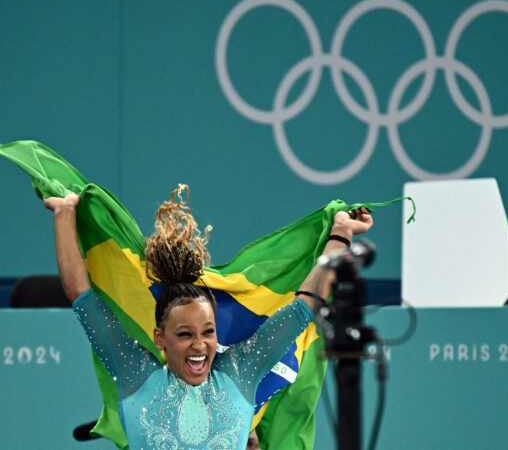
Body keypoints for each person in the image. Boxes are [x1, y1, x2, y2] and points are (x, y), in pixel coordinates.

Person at [44, 186, 373, 449]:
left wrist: (341, 234)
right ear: (160, 338)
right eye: (184, 334)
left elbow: (304, 306)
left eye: (208, 331)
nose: (199, 344)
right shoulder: (135, 372)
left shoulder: (241, 370)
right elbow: (82, 297)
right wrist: (64, 214)